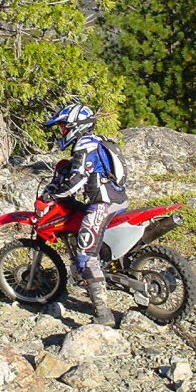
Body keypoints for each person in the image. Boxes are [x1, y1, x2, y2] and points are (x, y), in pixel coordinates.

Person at [41, 103, 127, 327]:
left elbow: (77, 180)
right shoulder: (98, 141)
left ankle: (104, 314)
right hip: (116, 199)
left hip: (102, 203)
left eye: (64, 128)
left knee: (85, 253)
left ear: (76, 127)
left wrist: (55, 193)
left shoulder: (85, 145)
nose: (62, 133)